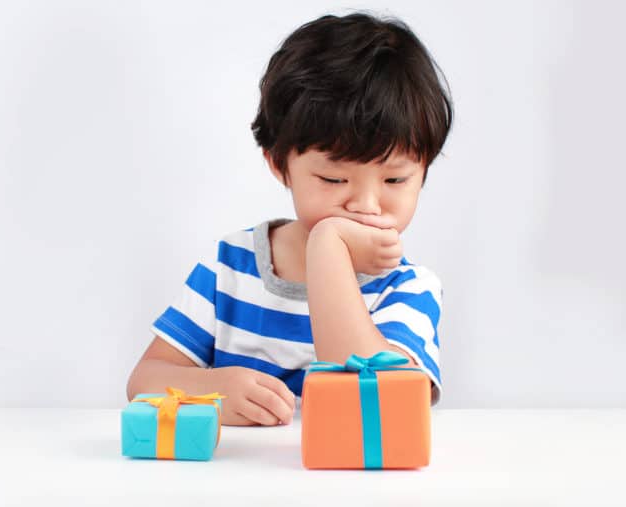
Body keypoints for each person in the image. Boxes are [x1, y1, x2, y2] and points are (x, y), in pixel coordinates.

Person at [126, 11, 453, 426]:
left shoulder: (409, 289)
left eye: (395, 178)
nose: (367, 205)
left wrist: (328, 246)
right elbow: (143, 380)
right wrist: (211, 389)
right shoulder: (230, 266)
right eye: (335, 178)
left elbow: (377, 404)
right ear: (280, 165)